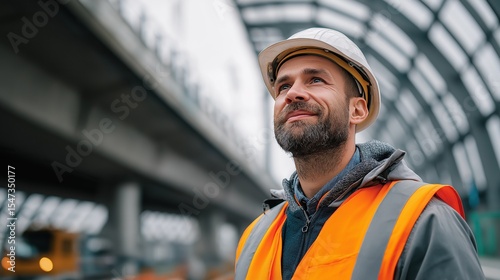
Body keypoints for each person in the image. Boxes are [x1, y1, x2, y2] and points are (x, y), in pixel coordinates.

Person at [234, 28, 485, 280]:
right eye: (283, 86)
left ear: (357, 110)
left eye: (316, 80)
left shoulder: (424, 223)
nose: (292, 94)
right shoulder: (254, 239)